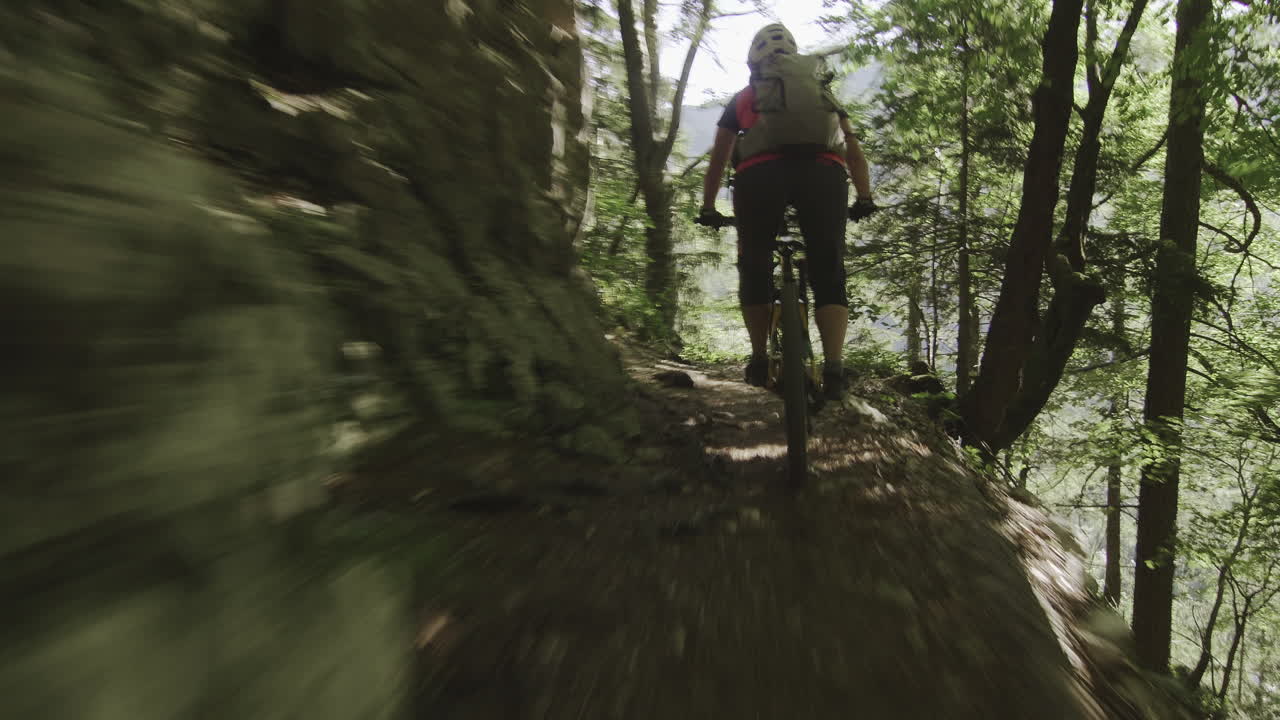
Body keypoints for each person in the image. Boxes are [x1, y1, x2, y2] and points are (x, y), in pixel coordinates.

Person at [696, 23, 875, 401]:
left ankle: (760, 358)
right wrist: (864, 196)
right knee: (829, 270)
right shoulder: (824, 94)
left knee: (755, 263)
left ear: (754, 60)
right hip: (823, 174)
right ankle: (835, 369)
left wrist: (709, 206)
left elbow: (720, 155)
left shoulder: (745, 97)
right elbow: (853, 148)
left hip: (759, 178)